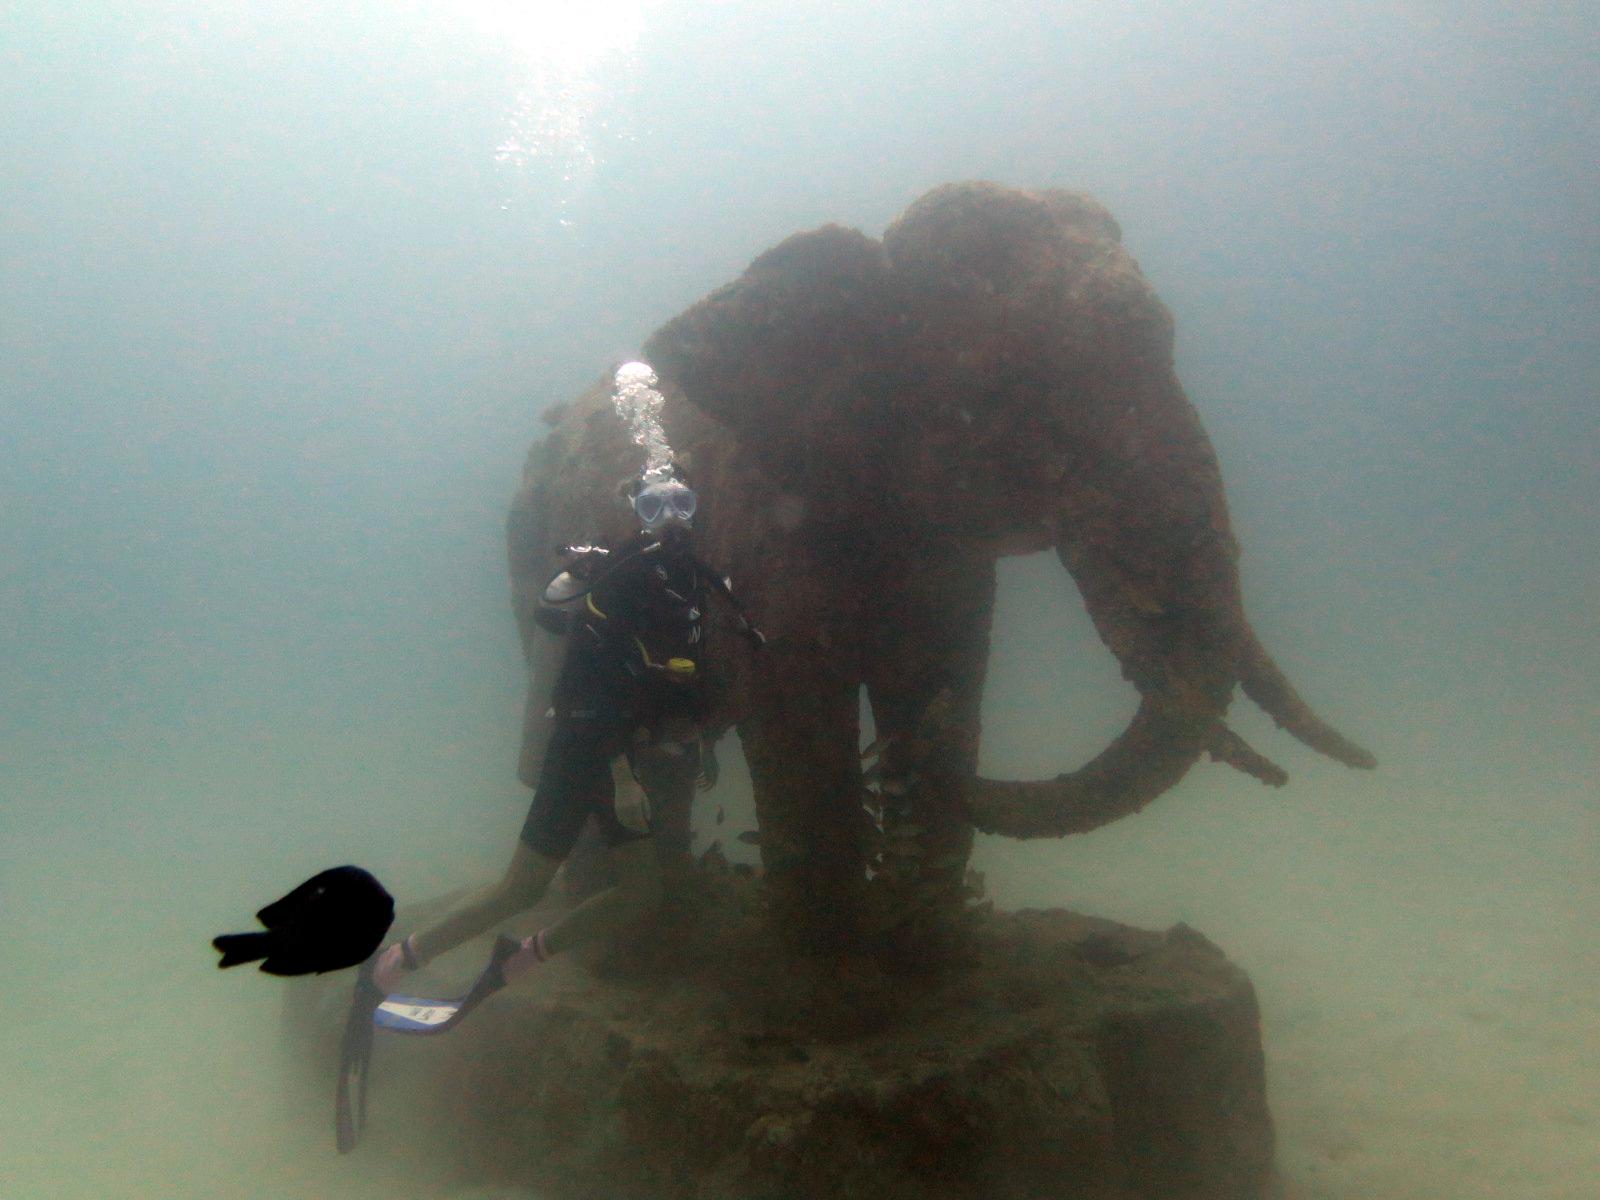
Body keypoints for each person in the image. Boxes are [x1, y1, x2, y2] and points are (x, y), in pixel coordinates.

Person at [370, 472, 761, 995]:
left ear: (696, 508)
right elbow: (587, 688)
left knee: (641, 892)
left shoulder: (690, 580)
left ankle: (523, 956)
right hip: (582, 752)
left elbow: (676, 679)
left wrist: (695, 737)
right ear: (637, 515)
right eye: (653, 508)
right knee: (521, 889)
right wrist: (623, 779)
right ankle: (401, 959)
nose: (671, 520)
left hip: (623, 754)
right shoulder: (623, 580)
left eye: (682, 504)